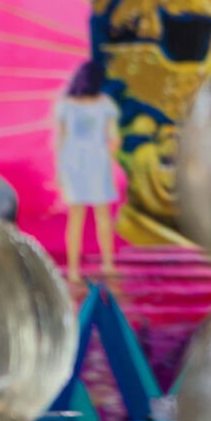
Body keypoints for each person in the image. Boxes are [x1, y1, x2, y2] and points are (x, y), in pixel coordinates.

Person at [54, 60, 121, 281]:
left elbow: (60, 140)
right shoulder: (105, 104)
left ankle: (73, 270)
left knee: (75, 218)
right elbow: (114, 138)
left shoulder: (66, 105)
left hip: (72, 163)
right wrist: (105, 151)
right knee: (103, 217)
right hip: (97, 163)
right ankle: (108, 265)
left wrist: (60, 170)